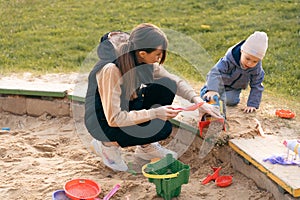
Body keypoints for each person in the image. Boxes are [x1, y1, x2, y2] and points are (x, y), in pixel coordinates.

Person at [85, 23, 221, 171]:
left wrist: (199, 102)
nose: (160, 58)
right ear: (143, 53)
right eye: (158, 54)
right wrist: (156, 113)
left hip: (126, 108)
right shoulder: (112, 70)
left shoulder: (141, 59)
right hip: (102, 122)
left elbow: (175, 81)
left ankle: (145, 148)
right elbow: (114, 119)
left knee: (167, 85)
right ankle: (106, 145)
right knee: (161, 128)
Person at [200, 31, 268, 113]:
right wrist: (212, 89)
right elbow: (215, 72)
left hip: (233, 88)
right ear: (241, 51)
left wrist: (252, 104)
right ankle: (207, 91)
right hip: (219, 83)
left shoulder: (256, 69)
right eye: (247, 58)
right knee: (211, 97)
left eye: (255, 61)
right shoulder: (228, 60)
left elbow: (257, 85)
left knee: (232, 101)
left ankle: (218, 97)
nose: (249, 63)